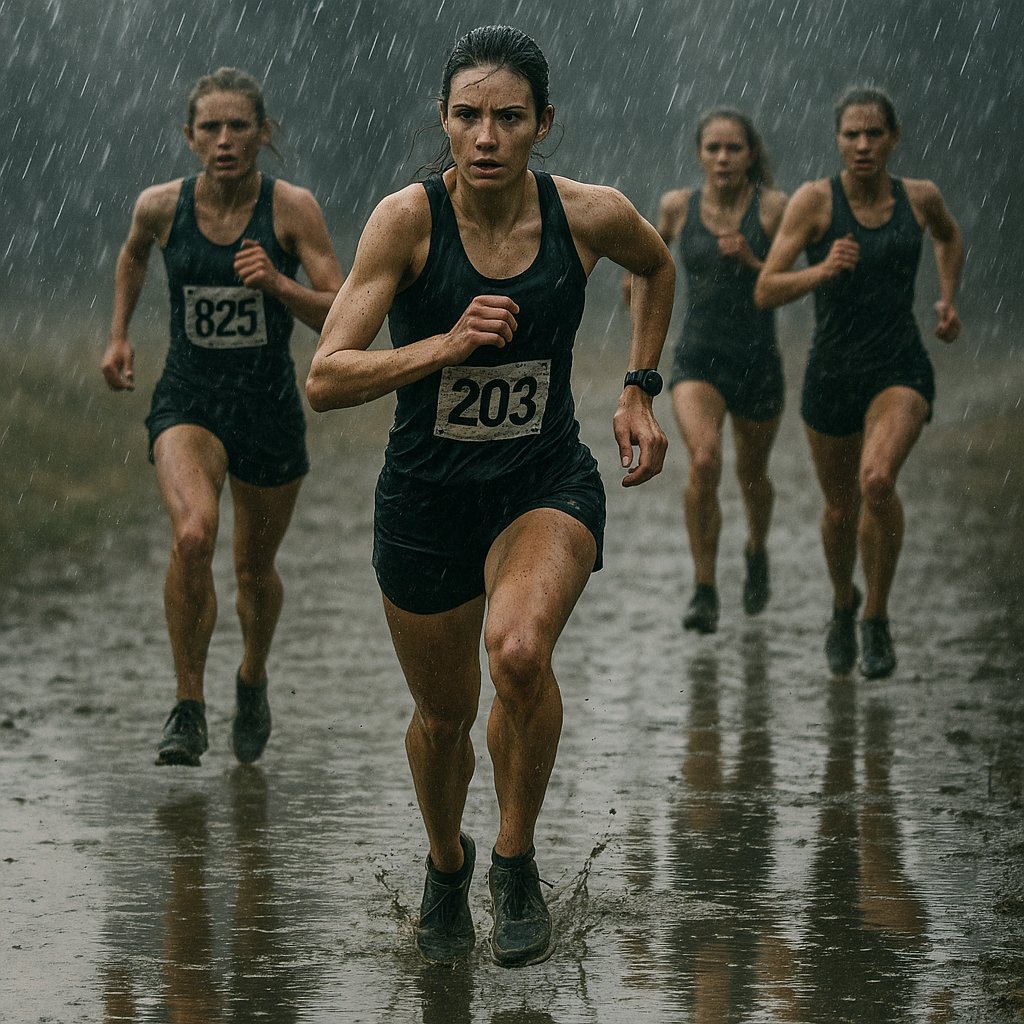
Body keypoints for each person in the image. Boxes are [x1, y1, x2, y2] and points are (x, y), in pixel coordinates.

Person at [306, 26, 673, 967]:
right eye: (468, 115)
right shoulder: (407, 222)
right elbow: (328, 376)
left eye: (509, 117)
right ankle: (446, 864)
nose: (486, 136)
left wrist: (637, 388)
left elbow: (659, 265)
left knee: (518, 653)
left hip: (540, 481)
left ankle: (513, 859)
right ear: (444, 119)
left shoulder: (587, 215)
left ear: (543, 125)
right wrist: (443, 344)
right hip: (425, 499)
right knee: (444, 720)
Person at [100, 68, 344, 766]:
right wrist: (119, 334)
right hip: (189, 399)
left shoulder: (292, 209)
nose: (225, 140)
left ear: (264, 134)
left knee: (253, 572)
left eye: (240, 126)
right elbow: (133, 254)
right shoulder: (161, 206)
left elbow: (343, 305)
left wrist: (277, 283)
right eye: (210, 127)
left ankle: (252, 677)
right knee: (194, 537)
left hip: (266, 407)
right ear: (189, 137)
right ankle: (188, 706)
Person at [755, 86, 963, 678]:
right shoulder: (814, 203)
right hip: (832, 374)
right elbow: (766, 288)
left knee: (877, 482)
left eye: (875, 134)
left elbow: (949, 237)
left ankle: (876, 616)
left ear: (893, 139)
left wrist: (948, 300)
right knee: (842, 508)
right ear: (838, 140)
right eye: (852, 134)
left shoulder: (920, 198)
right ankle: (842, 604)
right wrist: (822, 268)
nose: (863, 144)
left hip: (900, 367)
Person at [638, 108, 788, 633]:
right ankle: (704, 588)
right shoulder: (678, 207)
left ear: (751, 155)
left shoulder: (774, 210)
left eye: (734, 149)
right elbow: (647, 261)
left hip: (758, 362)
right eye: (713, 149)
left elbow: (797, 278)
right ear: (700, 154)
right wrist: (637, 292)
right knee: (704, 461)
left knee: (752, 474)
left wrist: (752, 260)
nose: (723, 159)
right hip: (698, 357)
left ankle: (756, 549)